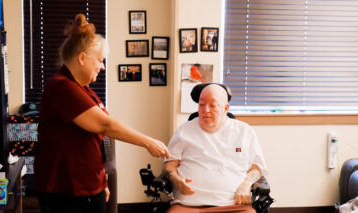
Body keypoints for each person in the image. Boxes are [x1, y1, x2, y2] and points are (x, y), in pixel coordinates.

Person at [34, 13, 170, 213]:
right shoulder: (61, 87)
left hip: (88, 187)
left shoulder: (83, 88)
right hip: (65, 192)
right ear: (82, 58)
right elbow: (105, 125)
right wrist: (148, 142)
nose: (102, 66)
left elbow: (95, 138)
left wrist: (100, 181)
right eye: (99, 60)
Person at [164, 84, 267, 213]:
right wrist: (176, 180)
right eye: (201, 105)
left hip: (234, 205)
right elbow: (169, 166)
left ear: (226, 108)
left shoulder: (244, 131)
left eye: (212, 105)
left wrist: (246, 185)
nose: (205, 110)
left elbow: (257, 167)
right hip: (188, 205)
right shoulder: (184, 130)